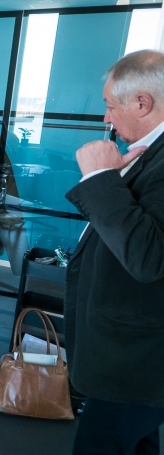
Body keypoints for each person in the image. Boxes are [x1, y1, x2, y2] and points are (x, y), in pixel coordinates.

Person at [65, 49, 164, 454]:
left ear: (142, 103)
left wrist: (103, 177)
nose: (106, 118)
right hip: (134, 358)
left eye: (110, 106)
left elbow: (148, 256)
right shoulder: (149, 154)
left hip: (135, 362)